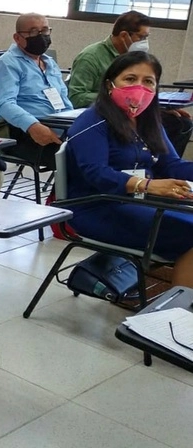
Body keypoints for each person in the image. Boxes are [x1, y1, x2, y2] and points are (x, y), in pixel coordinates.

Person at [66, 51, 193, 288]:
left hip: (142, 200)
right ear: (109, 84)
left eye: (148, 81)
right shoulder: (93, 120)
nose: (139, 87)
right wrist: (147, 185)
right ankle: (180, 313)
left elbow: (172, 165)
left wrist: (150, 188)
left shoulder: (148, 120)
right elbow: (95, 173)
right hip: (98, 205)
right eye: (130, 79)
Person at [67, 11, 191, 156]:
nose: (145, 42)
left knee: (181, 122)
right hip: (106, 114)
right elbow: (76, 96)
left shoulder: (134, 58)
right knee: (170, 125)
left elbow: (141, 89)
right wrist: (116, 97)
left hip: (133, 111)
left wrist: (159, 107)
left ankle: (164, 166)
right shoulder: (91, 57)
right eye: (142, 37)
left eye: (146, 37)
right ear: (124, 36)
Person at [0, 13, 73, 168]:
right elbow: (5, 104)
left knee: (107, 150)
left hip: (59, 129)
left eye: (45, 30)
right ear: (17, 38)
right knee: (82, 160)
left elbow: (64, 99)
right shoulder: (7, 64)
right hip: (23, 134)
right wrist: (33, 126)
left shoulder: (49, 63)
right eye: (33, 32)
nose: (40, 36)